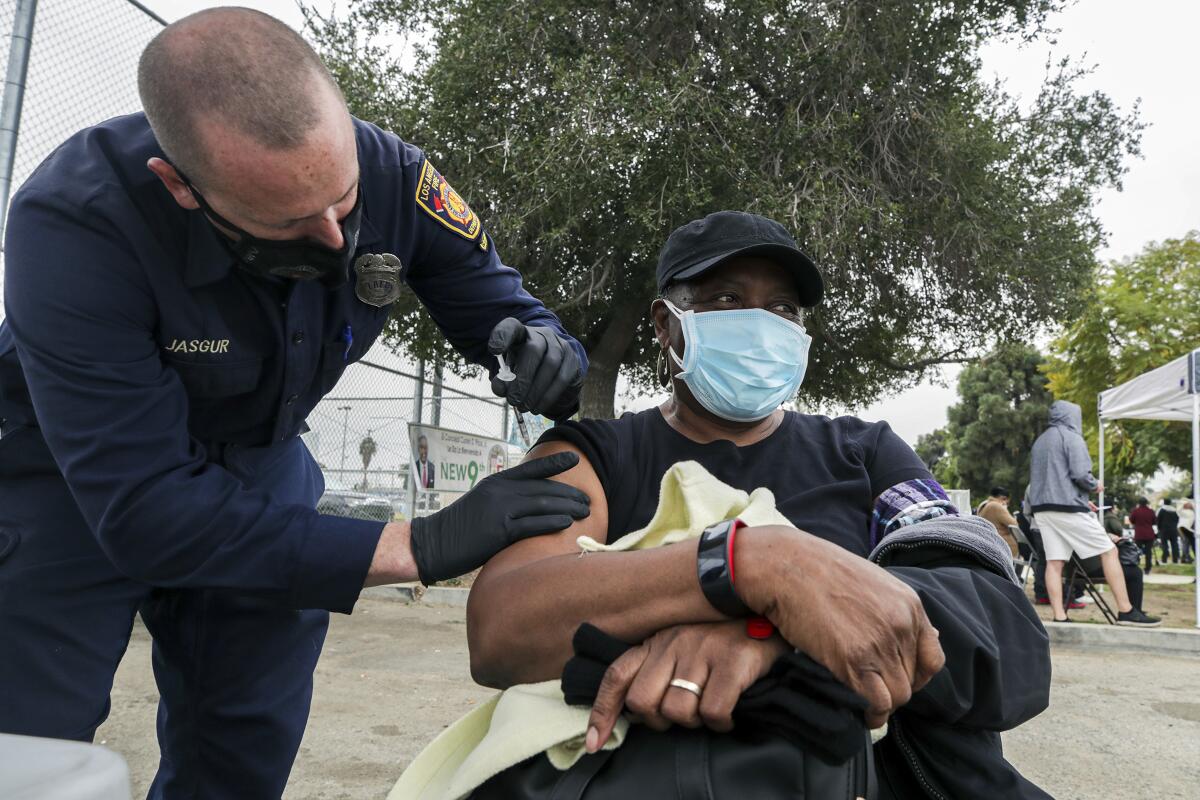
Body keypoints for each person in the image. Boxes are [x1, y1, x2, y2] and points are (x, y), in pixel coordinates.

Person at [0, 9, 593, 798]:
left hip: (264, 457)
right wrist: (417, 545)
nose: (334, 239)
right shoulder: (72, 223)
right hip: (72, 477)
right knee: (24, 746)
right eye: (288, 223)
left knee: (242, 751)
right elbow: (146, 510)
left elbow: (496, 301)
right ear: (180, 186)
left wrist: (543, 348)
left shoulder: (391, 173)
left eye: (344, 206)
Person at [466, 211, 1053, 798]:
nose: (762, 324)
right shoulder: (594, 454)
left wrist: (779, 635)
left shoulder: (866, 453)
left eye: (783, 309)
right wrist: (749, 565)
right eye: (728, 298)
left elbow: (1003, 631)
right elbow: (502, 627)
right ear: (666, 326)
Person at [1027, 402, 1159, 626]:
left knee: (1054, 562)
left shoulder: (1040, 442)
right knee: (1109, 551)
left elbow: (1050, 479)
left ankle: (1060, 615)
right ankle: (1126, 610)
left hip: (1042, 509)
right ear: (1072, 417)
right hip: (1067, 509)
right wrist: (1094, 485)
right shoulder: (1072, 437)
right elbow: (1080, 473)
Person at [976, 485, 1020, 561]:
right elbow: (1014, 524)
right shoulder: (996, 506)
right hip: (1004, 548)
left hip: (991, 544)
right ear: (1003, 498)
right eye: (1007, 502)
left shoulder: (984, 505)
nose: (1007, 504)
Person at [1130, 497, 1158, 573]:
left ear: (1139, 503)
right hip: (1149, 534)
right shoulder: (1151, 511)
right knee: (1148, 552)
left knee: (1137, 551)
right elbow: (1155, 521)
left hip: (1139, 534)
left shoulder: (1135, 511)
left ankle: (1136, 566)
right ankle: (1148, 568)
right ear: (1147, 503)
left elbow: (1132, 520)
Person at [1156, 498, 1181, 564]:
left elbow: (1158, 520)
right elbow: (1177, 519)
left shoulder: (1162, 510)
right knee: (1174, 544)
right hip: (1173, 530)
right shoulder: (1174, 510)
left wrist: (1159, 528)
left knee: (1164, 544)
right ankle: (1175, 559)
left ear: (1164, 502)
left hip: (1164, 530)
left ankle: (1164, 559)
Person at [1179, 497, 1195, 564]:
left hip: (1188, 528)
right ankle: (1186, 558)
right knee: (1186, 543)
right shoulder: (1183, 511)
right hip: (1186, 528)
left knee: (1186, 543)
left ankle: (1185, 558)